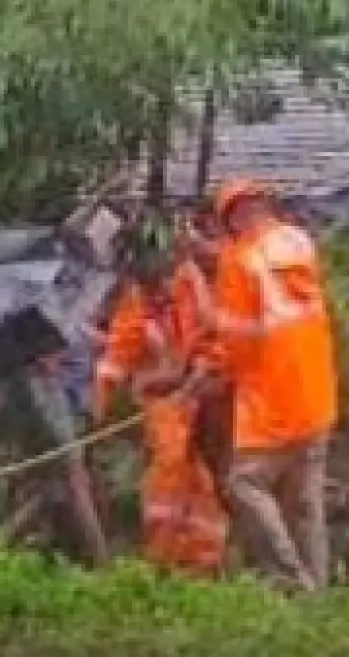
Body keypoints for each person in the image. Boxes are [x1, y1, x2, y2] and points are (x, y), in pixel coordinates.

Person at [187, 179, 337, 593]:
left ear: (232, 218)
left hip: (272, 397)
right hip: (316, 392)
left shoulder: (238, 260)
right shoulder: (298, 241)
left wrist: (209, 369)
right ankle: (319, 593)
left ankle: (291, 580)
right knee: (306, 501)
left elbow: (236, 338)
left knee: (242, 483)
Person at [93, 230, 229, 575]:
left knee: (203, 480)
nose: (161, 294)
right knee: (169, 472)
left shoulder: (190, 288)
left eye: (164, 286)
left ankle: (204, 558)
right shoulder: (136, 306)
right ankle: (162, 557)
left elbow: (213, 335)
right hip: (162, 404)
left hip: (202, 396)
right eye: (153, 291)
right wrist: (98, 407)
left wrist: (201, 368)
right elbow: (116, 360)